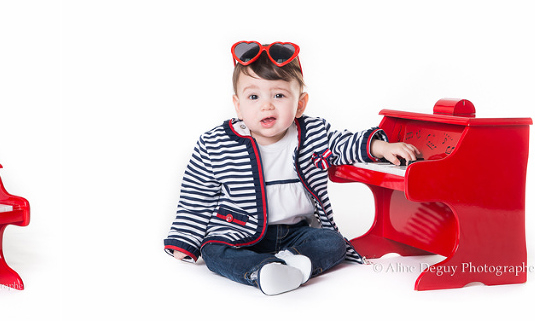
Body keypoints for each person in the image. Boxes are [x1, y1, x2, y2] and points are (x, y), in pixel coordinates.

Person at [163, 41, 420, 295]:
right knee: (213, 251)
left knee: (334, 244)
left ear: (300, 104)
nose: (266, 105)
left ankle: (295, 263)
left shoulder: (313, 134)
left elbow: (343, 143)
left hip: (295, 232)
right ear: (238, 105)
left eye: (279, 95)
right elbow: (197, 195)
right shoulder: (215, 144)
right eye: (254, 96)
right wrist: (184, 240)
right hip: (238, 231)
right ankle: (261, 271)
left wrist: (379, 148)